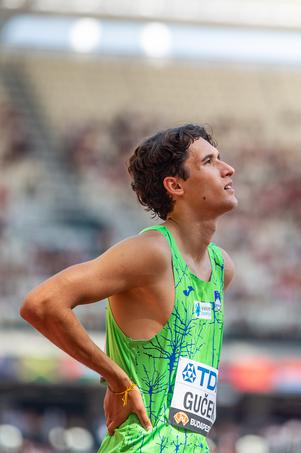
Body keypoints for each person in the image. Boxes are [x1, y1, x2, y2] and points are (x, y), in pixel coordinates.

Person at [20, 124, 237, 452]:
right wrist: (118, 381)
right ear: (175, 185)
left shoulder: (222, 268)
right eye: (209, 162)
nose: (227, 168)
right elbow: (42, 303)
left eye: (220, 159)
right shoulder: (152, 252)